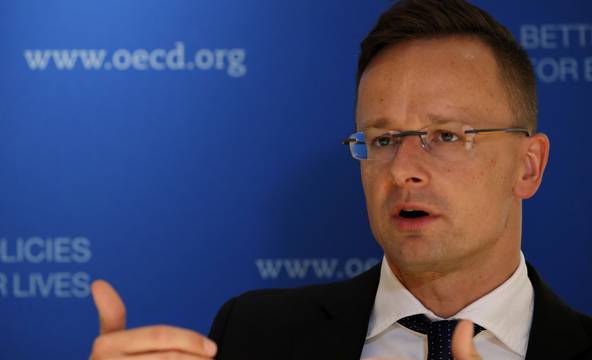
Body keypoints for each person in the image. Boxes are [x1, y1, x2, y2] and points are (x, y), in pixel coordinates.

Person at [88, 1, 592, 359]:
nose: (402, 170)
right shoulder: (254, 336)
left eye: (445, 135)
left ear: (528, 166)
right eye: (383, 139)